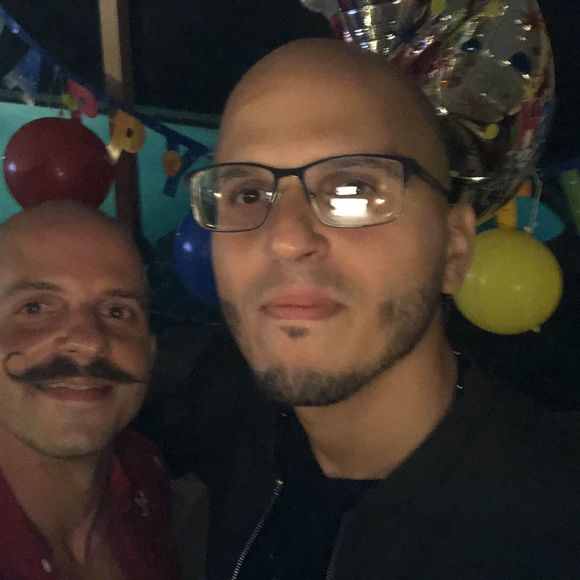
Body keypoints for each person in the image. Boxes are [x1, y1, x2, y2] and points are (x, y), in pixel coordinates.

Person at [152, 38, 580, 579]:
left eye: (353, 189)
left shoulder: (554, 520)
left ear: (453, 250)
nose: (285, 238)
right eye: (248, 195)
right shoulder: (223, 417)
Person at [0, 201, 176, 580]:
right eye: (35, 308)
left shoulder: (145, 470)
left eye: (117, 312)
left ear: (149, 351)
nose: (88, 343)